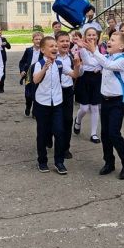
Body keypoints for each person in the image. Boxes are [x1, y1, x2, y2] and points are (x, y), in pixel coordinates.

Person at [75, 32, 124, 180]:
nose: (109, 42)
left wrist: (94, 51)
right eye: (109, 39)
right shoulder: (107, 57)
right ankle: (109, 162)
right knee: (105, 134)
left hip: (117, 102)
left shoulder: (123, 60)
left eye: (113, 40)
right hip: (105, 101)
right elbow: (90, 62)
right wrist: (83, 48)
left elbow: (107, 65)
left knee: (114, 133)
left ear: (121, 46)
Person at [32, 36, 77, 175]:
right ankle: (42, 161)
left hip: (57, 103)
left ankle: (59, 162)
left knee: (59, 132)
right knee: (42, 134)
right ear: (43, 49)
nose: (55, 48)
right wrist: (45, 68)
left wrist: (78, 65)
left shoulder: (59, 64)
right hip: (42, 104)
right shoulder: (39, 64)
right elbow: (35, 80)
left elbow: (74, 74)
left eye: (55, 46)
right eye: (51, 46)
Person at [74, 27, 103, 143]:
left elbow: (106, 61)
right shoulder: (81, 48)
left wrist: (100, 66)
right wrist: (99, 63)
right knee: (85, 108)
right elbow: (88, 61)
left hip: (97, 79)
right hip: (85, 78)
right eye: (89, 35)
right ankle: (78, 120)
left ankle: (94, 133)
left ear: (97, 36)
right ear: (85, 37)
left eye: (94, 35)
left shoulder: (102, 47)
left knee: (95, 107)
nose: (91, 37)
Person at [56, 31, 80, 160]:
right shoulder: (52, 56)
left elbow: (76, 73)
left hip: (67, 91)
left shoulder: (72, 56)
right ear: (56, 43)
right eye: (62, 41)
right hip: (54, 92)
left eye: (67, 41)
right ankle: (50, 137)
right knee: (54, 120)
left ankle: (65, 148)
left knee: (68, 120)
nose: (65, 43)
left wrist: (78, 65)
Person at [18, 32, 44, 117]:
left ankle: (35, 111)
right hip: (29, 73)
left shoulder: (44, 51)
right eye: (36, 39)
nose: (38, 41)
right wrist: (22, 70)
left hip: (40, 73)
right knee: (28, 94)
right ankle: (28, 106)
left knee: (37, 92)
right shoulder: (28, 50)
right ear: (32, 40)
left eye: (40, 39)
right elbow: (22, 62)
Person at [0, 26, 11, 92]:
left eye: (0, 30)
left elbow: (9, 47)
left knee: (2, 72)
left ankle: (1, 87)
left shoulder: (3, 39)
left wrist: (6, 43)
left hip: (2, 57)